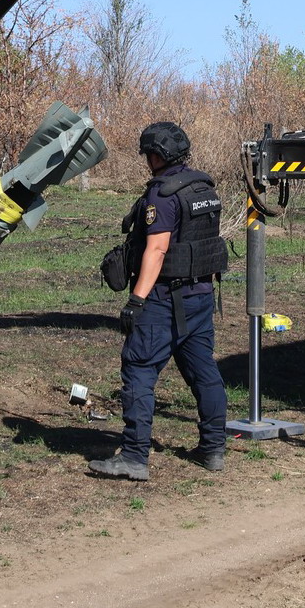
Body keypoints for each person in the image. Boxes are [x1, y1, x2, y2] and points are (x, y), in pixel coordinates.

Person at [89, 121, 229, 482]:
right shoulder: (204, 188)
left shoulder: (163, 195)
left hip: (164, 299)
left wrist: (136, 301)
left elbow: (157, 249)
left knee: (138, 369)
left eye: (148, 155)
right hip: (200, 297)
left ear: (157, 155)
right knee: (204, 372)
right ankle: (213, 449)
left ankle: (135, 456)